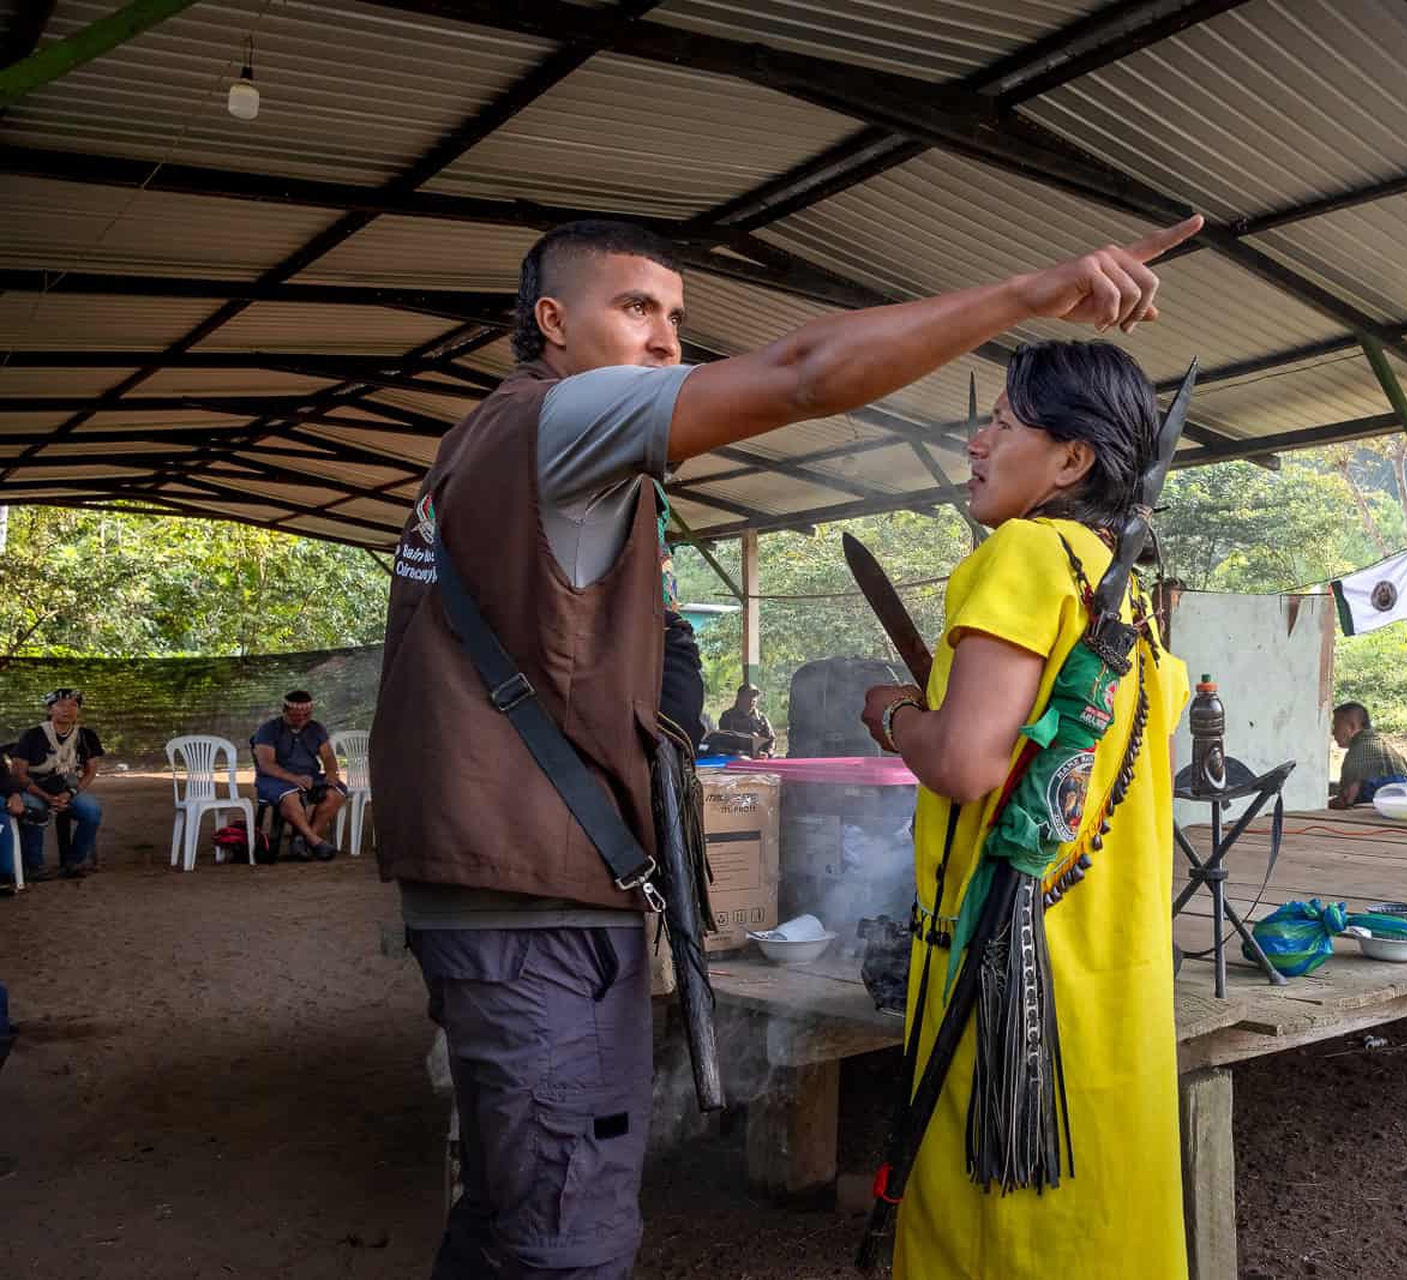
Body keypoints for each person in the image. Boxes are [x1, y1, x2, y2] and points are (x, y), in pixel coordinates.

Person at [371, 213, 1203, 1279]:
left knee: (508, 1214)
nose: (669, 340)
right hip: (532, 893)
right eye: (636, 309)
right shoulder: (560, 415)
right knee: (562, 1243)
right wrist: (1027, 290)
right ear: (552, 324)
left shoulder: (493, 452)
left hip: (508, 884)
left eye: (676, 316)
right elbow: (808, 373)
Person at [858, 340, 1190, 1278]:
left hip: (1007, 988)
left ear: (1072, 459)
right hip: (1111, 979)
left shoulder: (1027, 553)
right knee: (1100, 1222)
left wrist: (892, 714)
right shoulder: (1129, 601)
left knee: (998, 1234)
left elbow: (965, 764)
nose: (975, 440)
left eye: (1002, 422)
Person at [12, 688, 106, 880]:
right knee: (35, 810)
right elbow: (18, 774)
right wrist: (46, 796)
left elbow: (90, 772)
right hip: (36, 789)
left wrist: (70, 793)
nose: (68, 709)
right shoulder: (33, 735)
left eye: (73, 705)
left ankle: (74, 862)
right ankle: (34, 866)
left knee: (92, 811)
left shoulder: (87, 736)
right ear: (49, 710)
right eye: (61, 705)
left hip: (68, 790)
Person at [249, 690, 346, 862]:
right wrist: (294, 778)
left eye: (306, 715)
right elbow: (266, 764)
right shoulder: (268, 729)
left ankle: (304, 840)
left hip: (309, 777)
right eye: (296, 715)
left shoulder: (316, 728)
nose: (301, 719)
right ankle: (314, 841)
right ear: (284, 711)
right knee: (289, 796)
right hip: (274, 779)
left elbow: (329, 756)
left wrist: (331, 773)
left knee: (337, 792)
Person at [1329, 701, 1407, 809]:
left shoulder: (1358, 752)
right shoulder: (1383, 745)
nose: (1333, 732)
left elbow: (1347, 799)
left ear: (1352, 726)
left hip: (1378, 808)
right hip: (1403, 804)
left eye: (1336, 726)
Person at [715, 684, 775, 757]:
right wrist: (744, 754)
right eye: (749, 695)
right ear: (739, 697)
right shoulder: (728, 716)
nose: (753, 699)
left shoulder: (761, 717)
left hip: (759, 759)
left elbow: (771, 739)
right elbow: (724, 742)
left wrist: (768, 753)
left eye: (755, 696)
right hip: (736, 758)